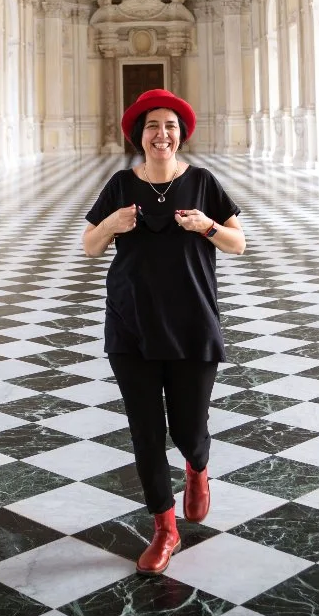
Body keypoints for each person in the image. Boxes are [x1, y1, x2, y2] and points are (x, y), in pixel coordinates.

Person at [82, 88, 245, 574]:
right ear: (140, 135)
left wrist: (207, 227)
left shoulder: (203, 183)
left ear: (181, 135)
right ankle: (164, 528)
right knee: (147, 433)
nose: (162, 134)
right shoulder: (119, 185)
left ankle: (198, 467)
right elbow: (91, 245)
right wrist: (112, 221)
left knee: (189, 429)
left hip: (192, 323)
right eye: (153, 126)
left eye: (170, 126)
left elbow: (239, 244)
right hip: (131, 324)